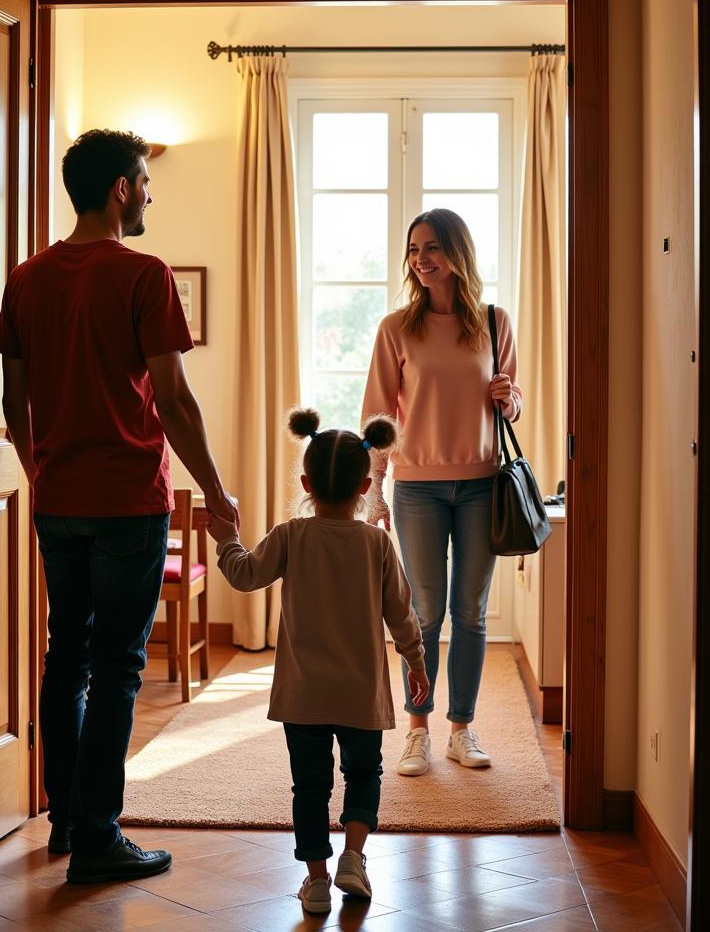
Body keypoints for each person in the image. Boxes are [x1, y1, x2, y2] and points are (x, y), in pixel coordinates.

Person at [0, 128, 239, 885]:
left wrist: (43, 474)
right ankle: (99, 838)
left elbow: (13, 398)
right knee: (119, 667)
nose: (151, 196)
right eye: (145, 182)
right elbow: (174, 400)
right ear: (122, 189)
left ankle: (66, 821)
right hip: (129, 503)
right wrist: (221, 494)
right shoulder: (143, 274)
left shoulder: (28, 277)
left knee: (64, 658)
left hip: (58, 501)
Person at [206, 407, 428, 915]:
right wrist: (415, 662)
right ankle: (353, 856)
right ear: (366, 485)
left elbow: (243, 574)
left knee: (308, 785)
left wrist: (225, 538)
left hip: (303, 696)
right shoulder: (376, 543)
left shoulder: (291, 535)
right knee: (363, 773)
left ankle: (317, 881)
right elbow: (401, 613)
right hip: (359, 692)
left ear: (306, 482)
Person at [360, 207, 522, 778]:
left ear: (456, 252)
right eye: (413, 249)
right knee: (424, 613)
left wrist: (509, 398)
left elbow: (514, 401)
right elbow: (378, 415)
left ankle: (462, 728)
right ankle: (418, 730)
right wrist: (374, 487)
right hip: (417, 489)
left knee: (470, 614)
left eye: (430, 248)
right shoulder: (396, 328)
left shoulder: (494, 321)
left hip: (482, 485)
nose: (420, 259)